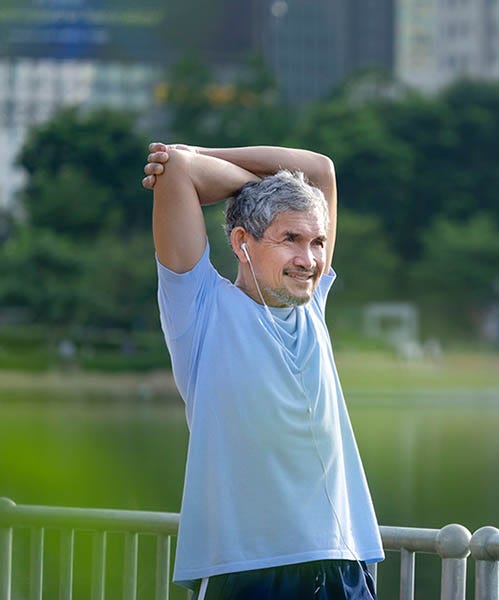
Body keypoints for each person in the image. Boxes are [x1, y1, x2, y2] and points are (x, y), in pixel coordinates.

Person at [142, 142, 383, 599]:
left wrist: (206, 154)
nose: (309, 260)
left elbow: (321, 168)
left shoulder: (310, 307)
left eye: (317, 242)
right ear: (241, 243)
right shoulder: (200, 307)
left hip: (342, 563)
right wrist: (259, 186)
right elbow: (176, 170)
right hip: (246, 570)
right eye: (290, 238)